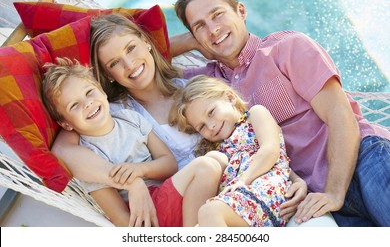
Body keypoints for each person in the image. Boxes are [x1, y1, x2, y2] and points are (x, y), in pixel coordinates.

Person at [171, 0, 390, 226]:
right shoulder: (208, 87)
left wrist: (334, 192)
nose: (213, 29)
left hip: (364, 161)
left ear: (241, 11)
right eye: (200, 26)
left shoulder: (287, 48)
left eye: (217, 15)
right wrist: (191, 40)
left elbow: (340, 115)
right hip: (313, 200)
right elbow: (144, 62)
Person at [52, 13, 306, 225]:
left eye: (132, 48)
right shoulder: (113, 114)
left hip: (241, 195)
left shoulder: (194, 89)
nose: (130, 65)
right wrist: (132, 181)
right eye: (115, 63)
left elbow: (247, 138)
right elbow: (63, 149)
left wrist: (292, 179)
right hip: (189, 210)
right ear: (107, 75)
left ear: (146, 42)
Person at [42, 57, 221, 227]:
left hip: (169, 193)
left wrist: (140, 170)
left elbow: (169, 163)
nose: (87, 104)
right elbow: (121, 219)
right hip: (150, 216)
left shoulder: (131, 118)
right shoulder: (88, 156)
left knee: (216, 158)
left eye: (89, 93)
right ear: (65, 123)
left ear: (101, 90)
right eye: (74, 105)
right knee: (206, 166)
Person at [170, 75, 302, 227]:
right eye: (201, 127)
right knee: (204, 219)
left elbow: (271, 151)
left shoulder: (255, 115)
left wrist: (242, 180)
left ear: (230, 97)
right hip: (239, 201)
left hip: (266, 191)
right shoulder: (219, 151)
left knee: (209, 211)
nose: (211, 126)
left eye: (211, 112)